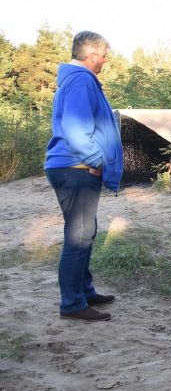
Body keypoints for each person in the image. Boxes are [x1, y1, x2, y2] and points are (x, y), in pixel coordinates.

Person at [44, 31, 123, 322]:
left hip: (72, 166)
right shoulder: (81, 79)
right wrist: (96, 161)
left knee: (84, 231)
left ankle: (84, 291)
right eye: (104, 56)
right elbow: (76, 128)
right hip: (77, 168)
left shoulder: (76, 79)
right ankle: (73, 304)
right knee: (78, 236)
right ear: (91, 55)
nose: (105, 61)